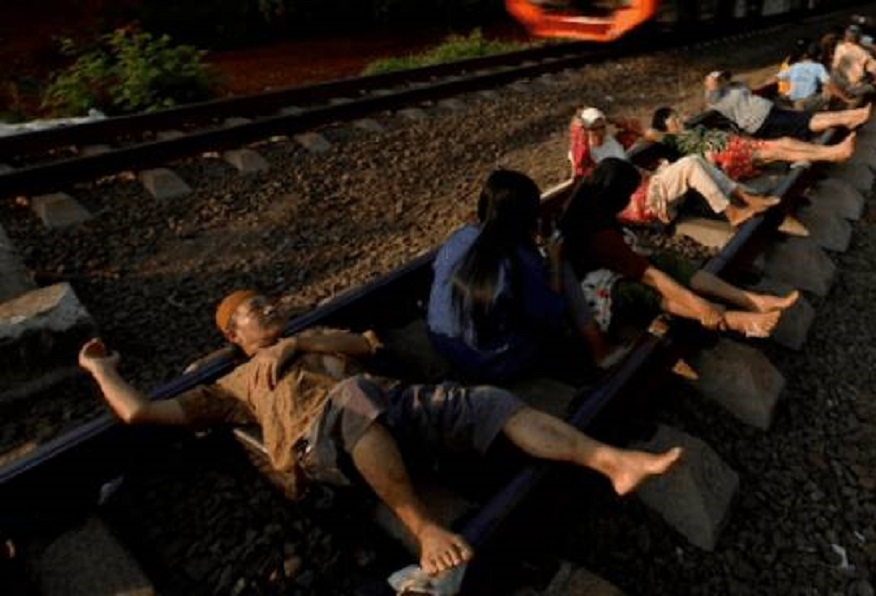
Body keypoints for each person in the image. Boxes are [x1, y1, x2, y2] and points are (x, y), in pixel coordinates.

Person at [78, 291, 682, 577]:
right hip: (324, 447)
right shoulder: (236, 384)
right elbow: (139, 414)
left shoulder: (311, 337)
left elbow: (366, 344)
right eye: (254, 312)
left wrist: (300, 340)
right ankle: (424, 530)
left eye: (268, 303)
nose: (267, 311)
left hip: (392, 407)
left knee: (492, 401)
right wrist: (102, 370)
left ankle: (612, 461)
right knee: (351, 396)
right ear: (235, 335)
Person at [559, 158, 798, 340]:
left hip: (611, 267)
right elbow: (651, 278)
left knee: (667, 262)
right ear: (614, 195)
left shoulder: (590, 201)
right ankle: (737, 321)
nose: (629, 201)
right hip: (596, 289)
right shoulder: (597, 232)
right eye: (628, 195)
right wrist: (701, 307)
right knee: (643, 290)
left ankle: (752, 300)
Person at [427, 170, 610, 382]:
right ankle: (598, 356)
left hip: (442, 341)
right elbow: (551, 315)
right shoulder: (518, 259)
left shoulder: (461, 237)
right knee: (559, 338)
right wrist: (555, 261)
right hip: (490, 363)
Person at [570, 107, 778, 226]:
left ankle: (744, 199)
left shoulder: (611, 141)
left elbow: (634, 126)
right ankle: (732, 211)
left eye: (601, 126)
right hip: (634, 200)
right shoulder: (585, 156)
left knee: (695, 162)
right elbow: (579, 167)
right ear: (583, 131)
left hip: (645, 184)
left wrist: (610, 118)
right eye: (593, 128)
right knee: (689, 164)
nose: (599, 131)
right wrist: (579, 126)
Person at [645, 107, 855, 180]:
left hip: (734, 144)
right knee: (779, 151)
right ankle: (834, 154)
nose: (679, 118)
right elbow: (650, 133)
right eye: (673, 119)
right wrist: (621, 124)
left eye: (676, 115)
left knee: (785, 141)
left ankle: (831, 150)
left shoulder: (691, 128)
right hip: (724, 155)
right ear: (667, 128)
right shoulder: (673, 138)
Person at [704, 70, 871, 141]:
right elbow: (712, 86)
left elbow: (745, 87)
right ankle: (848, 119)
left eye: (724, 77)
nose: (723, 80)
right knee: (806, 121)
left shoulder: (734, 87)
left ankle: (850, 117)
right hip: (761, 123)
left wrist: (727, 80)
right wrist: (714, 80)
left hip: (770, 112)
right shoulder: (714, 97)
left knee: (807, 118)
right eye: (720, 79)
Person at [774, 40, 831, 111]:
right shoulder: (817, 66)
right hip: (804, 101)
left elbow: (776, 79)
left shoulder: (790, 63)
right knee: (827, 89)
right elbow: (828, 84)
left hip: (789, 97)